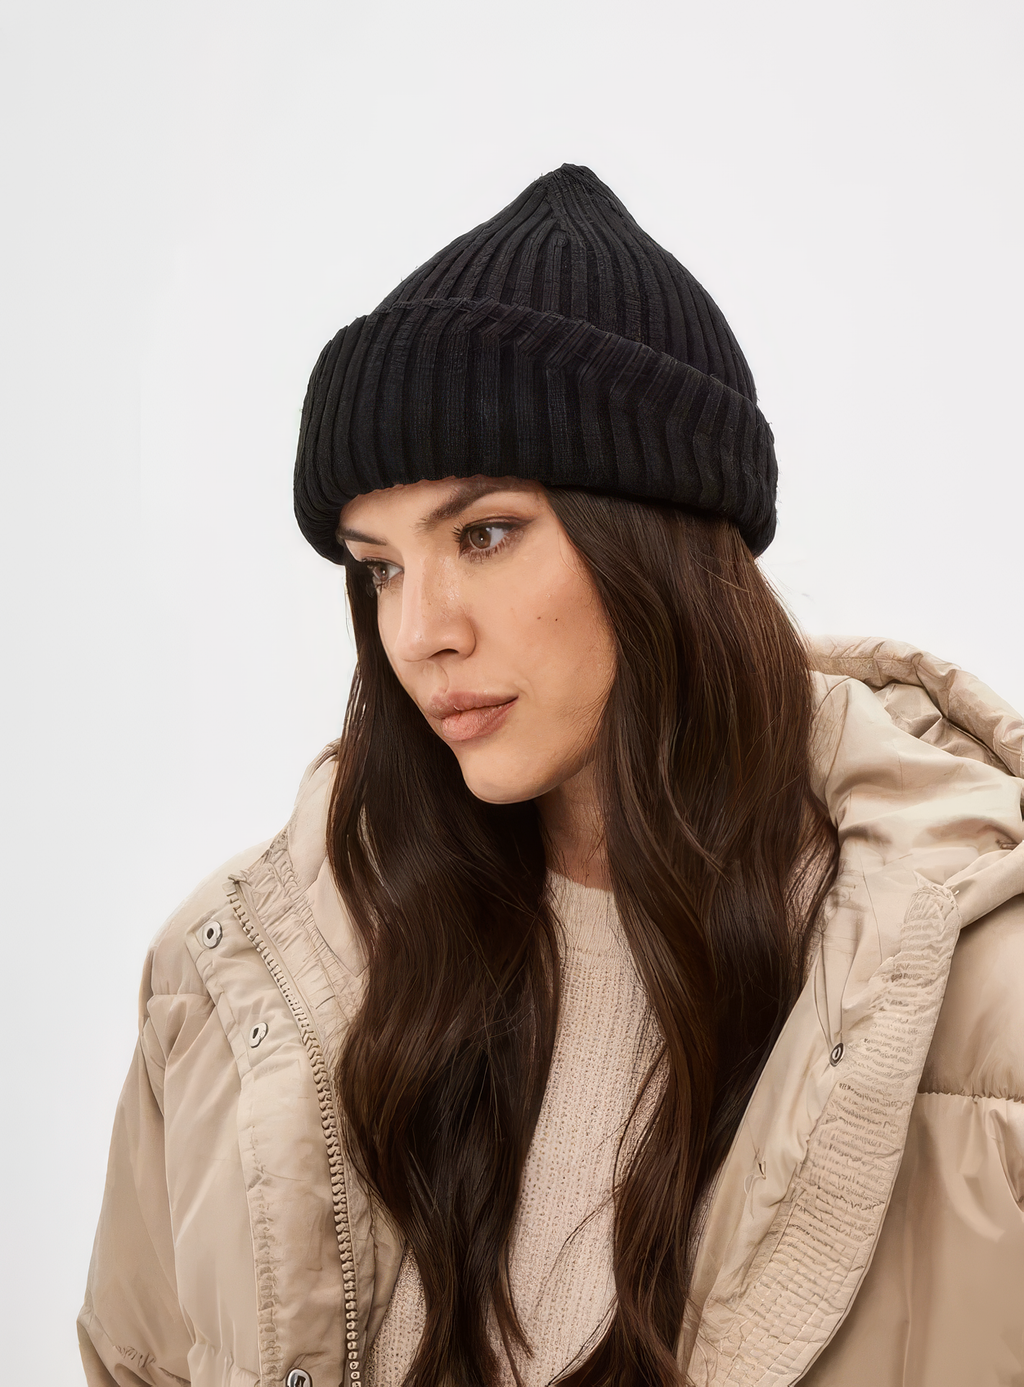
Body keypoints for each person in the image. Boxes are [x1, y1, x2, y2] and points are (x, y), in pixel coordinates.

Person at [79, 165, 1024, 1387]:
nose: (419, 630)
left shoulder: (982, 1008)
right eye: (379, 567)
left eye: (483, 533)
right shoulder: (225, 995)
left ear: (662, 540)